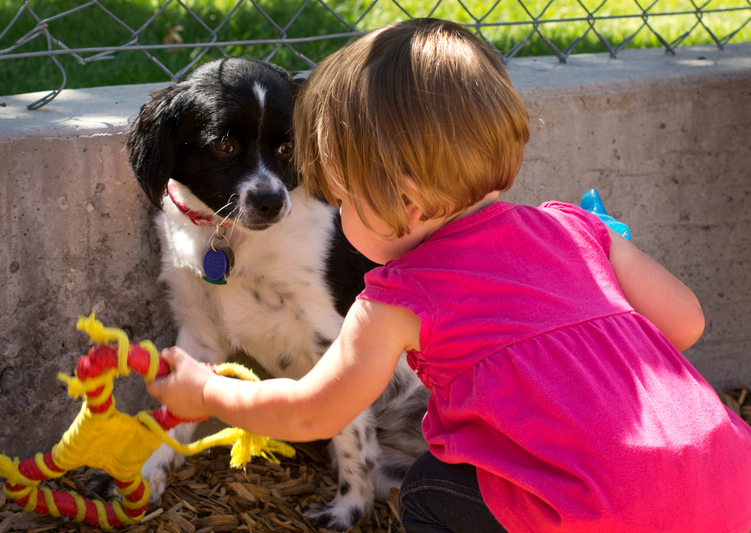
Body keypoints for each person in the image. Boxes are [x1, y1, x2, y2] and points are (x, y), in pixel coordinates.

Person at [146, 18, 751, 533]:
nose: (331, 212)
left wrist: (208, 393)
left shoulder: (400, 298)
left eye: (339, 198)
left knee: (432, 485)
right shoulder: (576, 227)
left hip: (598, 512)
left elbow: (311, 414)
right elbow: (688, 322)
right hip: (730, 480)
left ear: (402, 202)